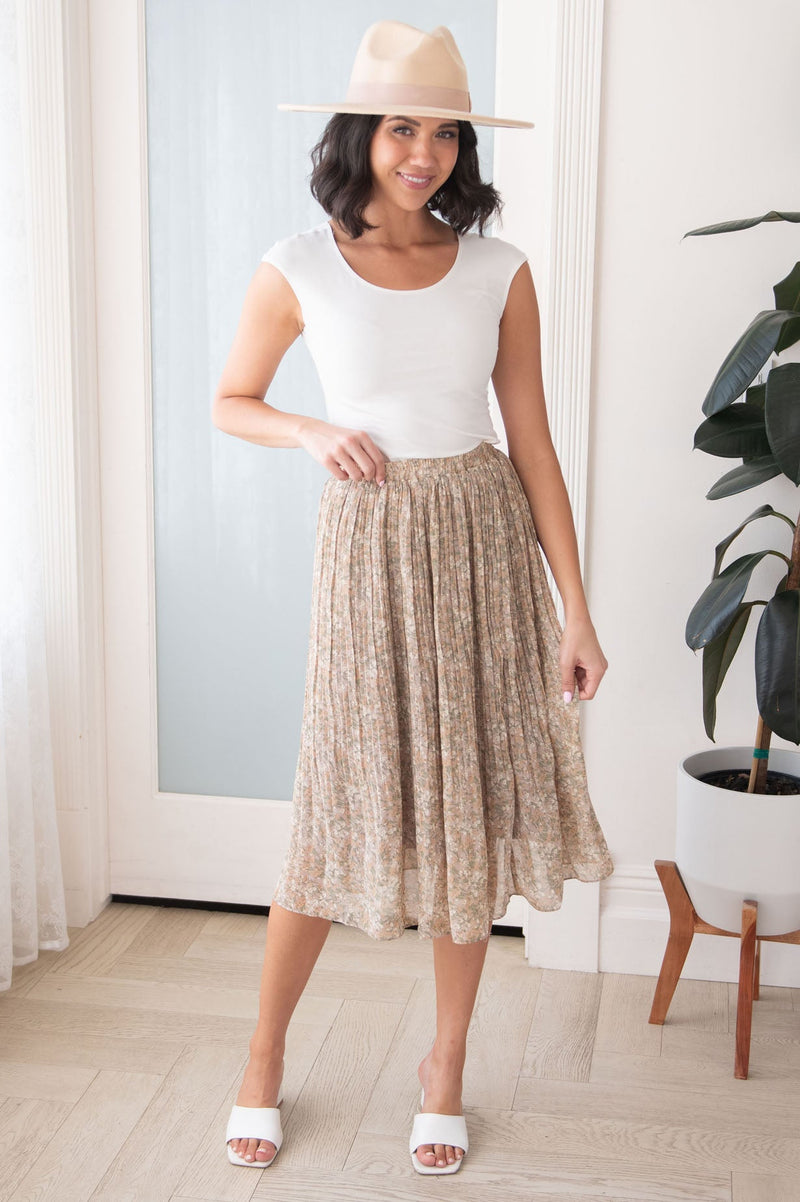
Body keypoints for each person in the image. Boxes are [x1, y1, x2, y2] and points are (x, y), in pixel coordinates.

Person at [212, 18, 614, 1177]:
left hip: (481, 544)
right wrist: (309, 431)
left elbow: (531, 443)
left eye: (444, 134)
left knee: (464, 815)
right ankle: (261, 1053)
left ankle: (445, 1065)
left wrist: (575, 610)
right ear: (360, 133)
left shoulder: (499, 269)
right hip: (369, 546)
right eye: (401, 128)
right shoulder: (297, 262)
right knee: (332, 809)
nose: (423, 153)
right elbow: (231, 399)